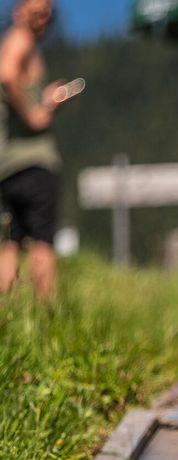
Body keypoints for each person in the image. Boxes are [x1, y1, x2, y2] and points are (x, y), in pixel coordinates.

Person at [0, 0, 68, 304]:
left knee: (9, 243)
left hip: (7, 164)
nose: (46, 15)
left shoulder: (14, 42)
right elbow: (8, 74)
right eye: (39, 8)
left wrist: (45, 99)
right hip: (34, 162)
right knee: (42, 243)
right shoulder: (21, 40)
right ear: (20, 9)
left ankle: (6, 323)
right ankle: (49, 323)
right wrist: (35, 114)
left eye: (49, 10)